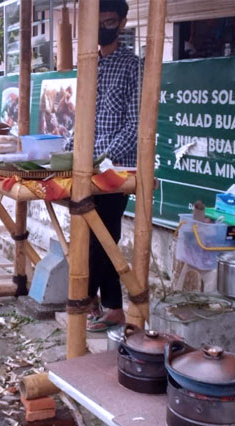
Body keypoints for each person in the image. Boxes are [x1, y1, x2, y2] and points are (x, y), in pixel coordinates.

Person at [65, 0, 141, 332]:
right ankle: (106, 306)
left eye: (110, 21)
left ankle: (100, 303)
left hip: (116, 170)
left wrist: (100, 163)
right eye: (99, 21)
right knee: (86, 234)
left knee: (105, 235)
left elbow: (136, 126)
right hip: (84, 167)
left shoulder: (134, 67)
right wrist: (68, 154)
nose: (103, 28)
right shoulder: (88, 63)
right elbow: (80, 119)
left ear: (122, 23)